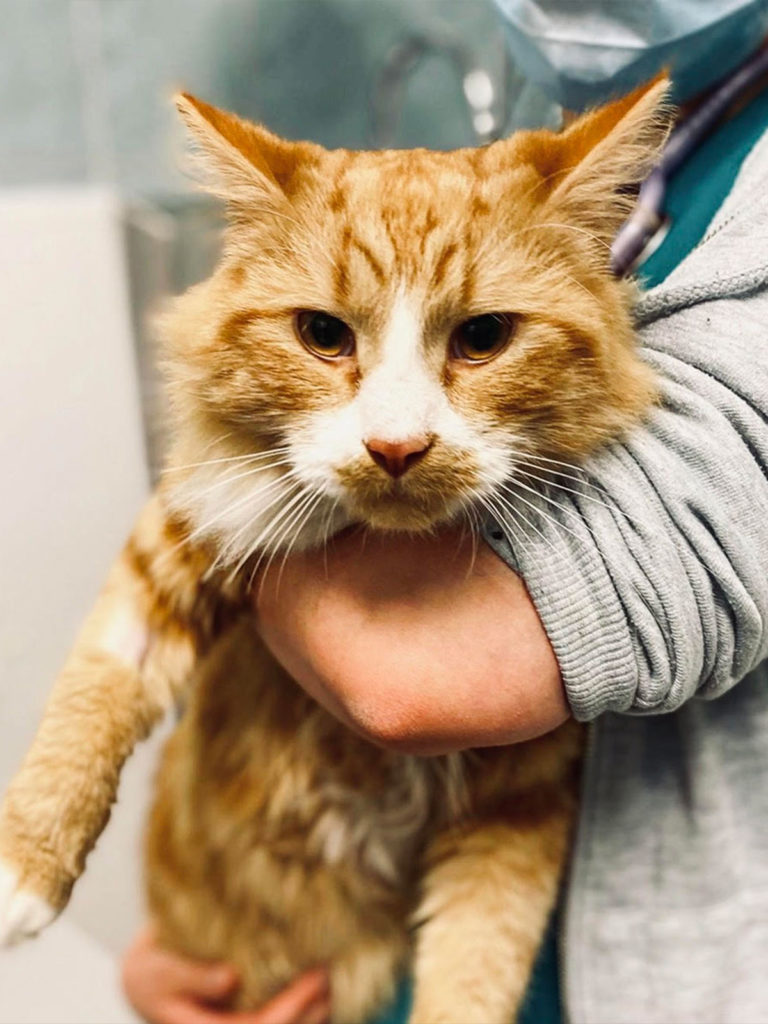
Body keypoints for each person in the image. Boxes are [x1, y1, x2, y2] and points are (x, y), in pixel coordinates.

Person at [122, 2, 768, 1021]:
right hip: (343, 956)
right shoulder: (579, 126)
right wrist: (211, 906)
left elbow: (410, 675)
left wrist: (237, 479)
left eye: (482, 339)